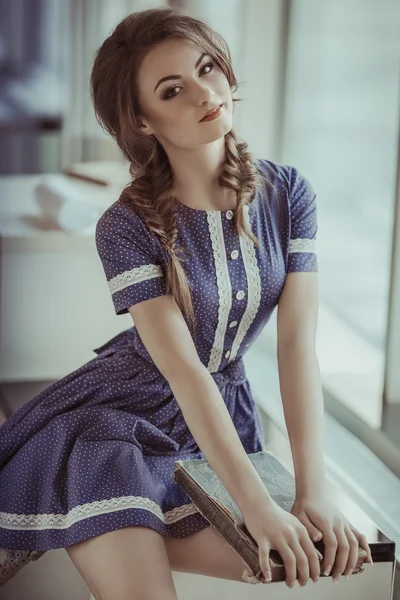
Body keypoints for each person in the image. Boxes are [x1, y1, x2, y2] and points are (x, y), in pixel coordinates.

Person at [0, 6, 372, 599]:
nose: (205, 93)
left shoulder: (289, 194)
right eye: (172, 90)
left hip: (223, 422)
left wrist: (312, 487)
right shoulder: (124, 226)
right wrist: (256, 504)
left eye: (207, 68)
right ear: (142, 121)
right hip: (120, 419)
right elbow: (184, 370)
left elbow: (298, 346)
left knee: (309, 554)